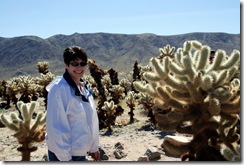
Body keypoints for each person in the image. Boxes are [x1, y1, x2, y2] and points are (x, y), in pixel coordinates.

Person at [45, 46, 100, 161]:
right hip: (64, 155)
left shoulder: (83, 87)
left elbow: (92, 119)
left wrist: (94, 147)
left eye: (82, 63)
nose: (79, 67)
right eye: (74, 63)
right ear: (66, 65)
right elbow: (56, 127)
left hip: (80, 151)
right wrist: (65, 158)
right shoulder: (59, 89)